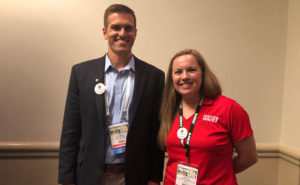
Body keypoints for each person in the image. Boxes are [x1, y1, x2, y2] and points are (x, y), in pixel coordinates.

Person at [58, 4, 165, 185]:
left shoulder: (154, 77)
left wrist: (154, 178)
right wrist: (66, 180)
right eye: (116, 27)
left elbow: (156, 132)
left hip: (134, 176)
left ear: (135, 33)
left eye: (128, 28)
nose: (122, 33)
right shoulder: (81, 73)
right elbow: (70, 131)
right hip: (90, 176)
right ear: (105, 32)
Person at [158, 49, 257, 185]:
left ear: (203, 74)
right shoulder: (169, 109)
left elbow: (249, 157)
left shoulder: (229, 109)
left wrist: (217, 173)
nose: (184, 76)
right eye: (178, 72)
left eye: (191, 70)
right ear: (172, 78)